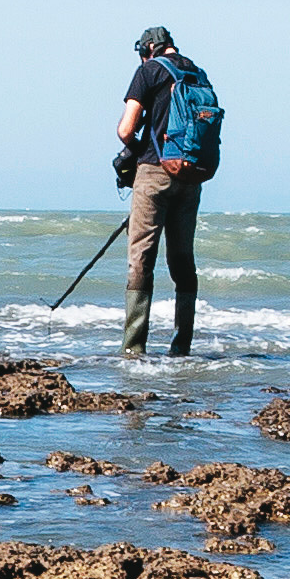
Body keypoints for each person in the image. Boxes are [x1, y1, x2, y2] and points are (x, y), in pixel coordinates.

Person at [110, 24, 219, 357]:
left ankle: (133, 348)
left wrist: (135, 147)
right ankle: (181, 346)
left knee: (141, 258)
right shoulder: (198, 74)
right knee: (182, 260)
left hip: (154, 173)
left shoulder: (150, 72)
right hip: (191, 177)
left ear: (148, 49)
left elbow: (125, 129)